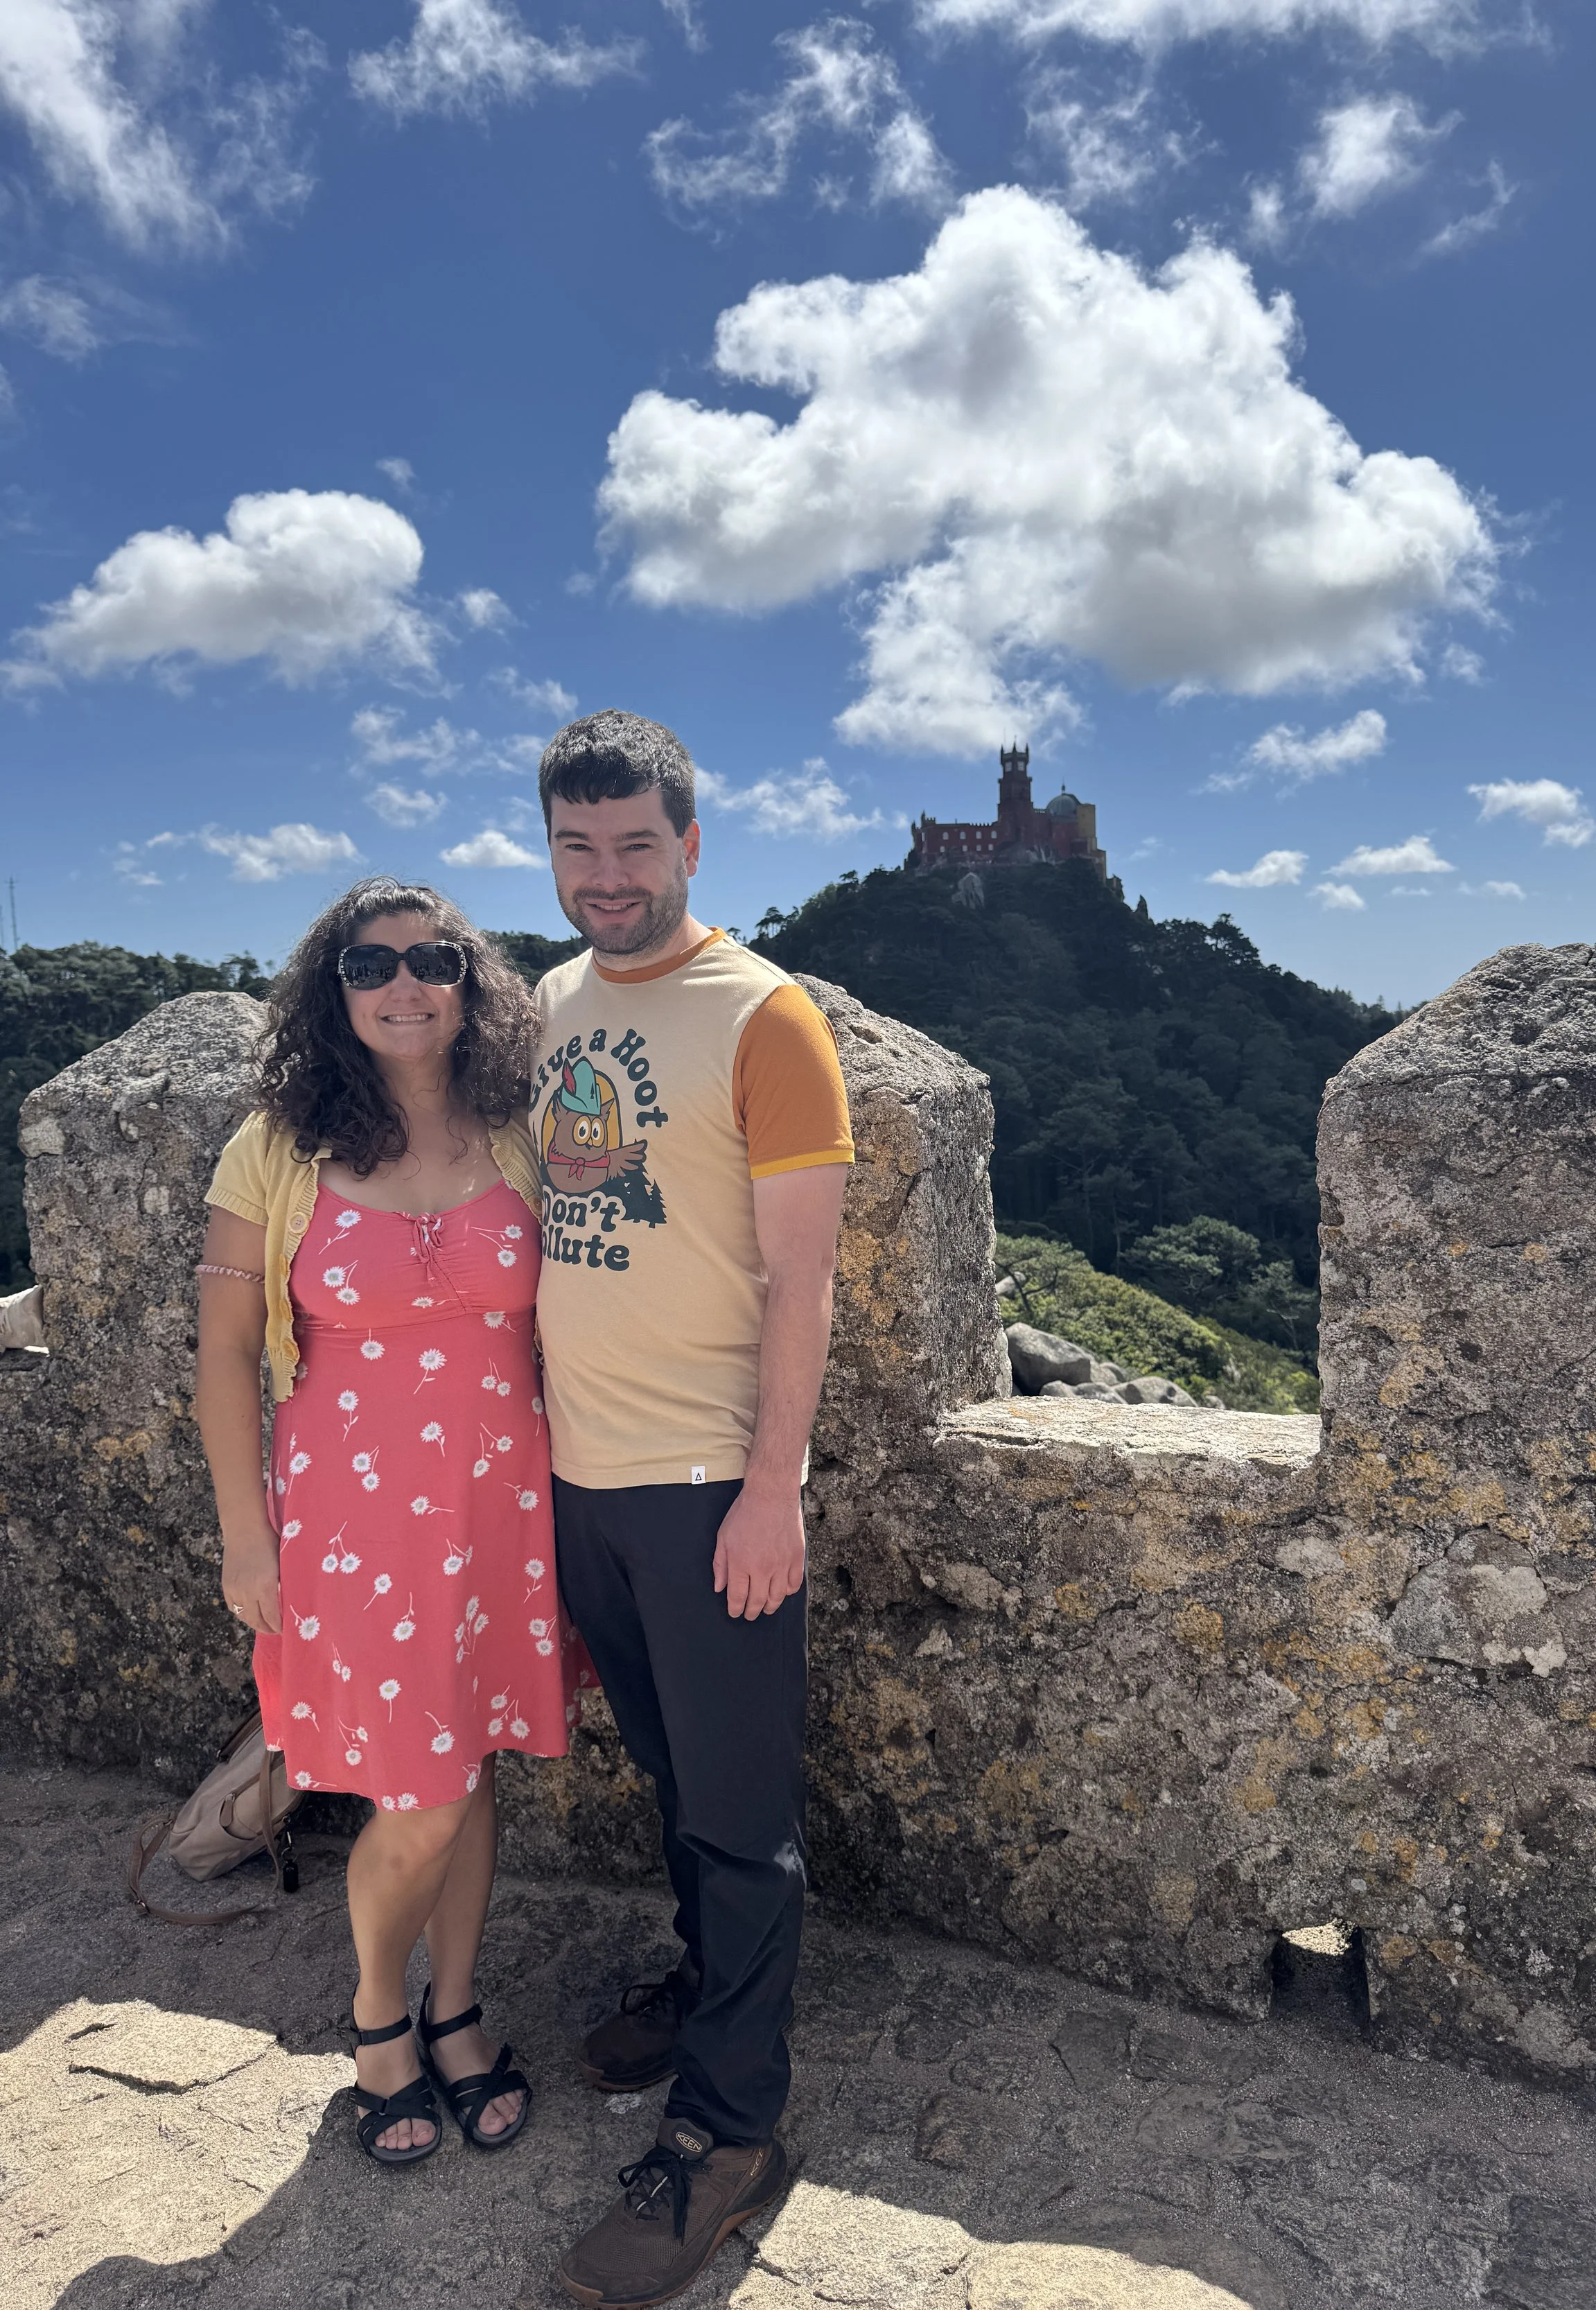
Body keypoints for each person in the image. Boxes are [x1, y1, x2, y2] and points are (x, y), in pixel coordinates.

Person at [529, 712, 853, 2309]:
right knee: (671, 1780)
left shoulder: (764, 1017)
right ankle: (714, 1984)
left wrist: (771, 1489)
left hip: (708, 1486)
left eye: (635, 844)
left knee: (737, 1817)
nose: (607, 875)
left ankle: (730, 2132)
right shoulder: (546, 1005)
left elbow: (803, 1277)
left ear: (692, 844)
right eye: (577, 846)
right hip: (582, 1484)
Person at [196, 877, 593, 2167]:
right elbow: (221, 1356)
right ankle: (379, 2022)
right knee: (419, 1789)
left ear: (470, 982)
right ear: (336, 991)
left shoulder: (523, 1130)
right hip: (349, 1522)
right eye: (371, 966)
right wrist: (243, 1538)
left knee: (464, 1765)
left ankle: (459, 2007)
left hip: (498, 1512)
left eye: (432, 960)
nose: (404, 984)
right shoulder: (277, 1147)